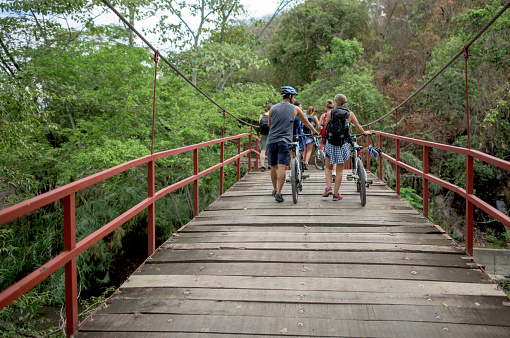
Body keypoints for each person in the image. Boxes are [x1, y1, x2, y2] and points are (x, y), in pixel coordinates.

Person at [266, 86, 318, 202]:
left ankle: (274, 189)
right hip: (284, 141)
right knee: (282, 167)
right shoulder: (295, 109)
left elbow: (270, 125)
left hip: (271, 140)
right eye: (294, 97)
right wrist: (314, 131)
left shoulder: (273, 108)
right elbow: (305, 122)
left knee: (273, 167)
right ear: (290, 96)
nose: (294, 99)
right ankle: (279, 193)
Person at [322, 93, 371, 201]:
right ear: (345, 103)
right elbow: (358, 127)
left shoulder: (330, 113)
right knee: (339, 170)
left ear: (335, 102)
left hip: (331, 143)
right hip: (343, 143)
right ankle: (336, 194)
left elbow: (326, 128)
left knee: (328, 167)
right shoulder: (350, 114)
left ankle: (328, 187)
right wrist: (364, 132)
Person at [319, 99, 337, 177]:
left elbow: (319, 126)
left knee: (328, 154)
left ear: (326, 108)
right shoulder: (336, 114)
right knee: (335, 153)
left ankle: (328, 171)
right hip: (336, 136)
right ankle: (334, 171)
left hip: (326, 136)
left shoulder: (323, 115)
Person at [302, 106, 320, 170]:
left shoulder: (305, 116)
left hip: (303, 135)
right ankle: (306, 162)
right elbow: (319, 126)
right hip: (310, 135)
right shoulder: (314, 117)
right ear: (314, 111)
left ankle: (302, 162)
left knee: (304, 150)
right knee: (309, 150)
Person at [258, 104, 272, 171]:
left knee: (263, 150)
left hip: (263, 134)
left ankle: (263, 165)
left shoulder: (262, 115)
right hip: (271, 134)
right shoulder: (273, 115)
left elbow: (259, 124)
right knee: (271, 150)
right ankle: (269, 165)